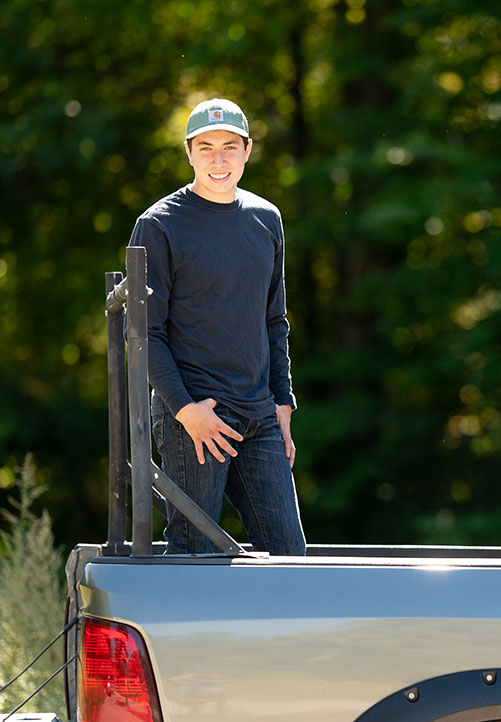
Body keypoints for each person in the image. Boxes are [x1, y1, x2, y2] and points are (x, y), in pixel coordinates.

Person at [128, 98, 306, 555]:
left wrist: (282, 402)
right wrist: (186, 411)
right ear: (189, 153)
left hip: (259, 415)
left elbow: (273, 319)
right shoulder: (160, 224)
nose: (218, 159)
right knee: (194, 555)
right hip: (194, 414)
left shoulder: (266, 219)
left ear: (248, 150)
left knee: (289, 555)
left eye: (229, 146)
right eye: (206, 147)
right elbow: (146, 333)